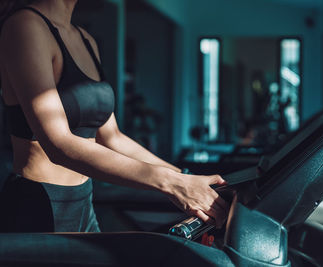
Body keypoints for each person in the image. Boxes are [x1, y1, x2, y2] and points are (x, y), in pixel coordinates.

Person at [0, 0, 228, 232]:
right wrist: (172, 183)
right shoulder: (25, 26)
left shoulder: (85, 39)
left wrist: (186, 178)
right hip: (38, 206)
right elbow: (58, 144)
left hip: (83, 203)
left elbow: (112, 137)